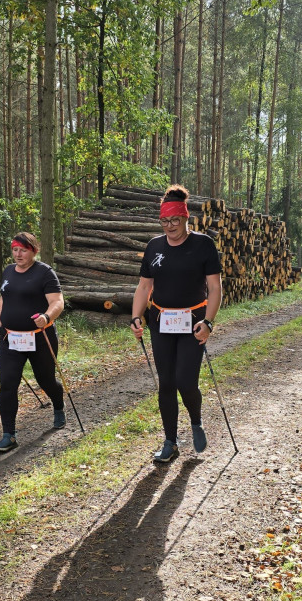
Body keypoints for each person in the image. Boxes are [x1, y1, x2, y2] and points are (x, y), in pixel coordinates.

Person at [130, 185, 222, 463]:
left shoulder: (203, 244)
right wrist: (136, 316)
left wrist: (208, 321)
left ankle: (195, 420)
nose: (170, 226)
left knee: (185, 381)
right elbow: (144, 286)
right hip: (161, 321)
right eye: (165, 221)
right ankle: (170, 441)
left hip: (193, 322)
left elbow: (215, 289)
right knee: (166, 383)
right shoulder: (154, 246)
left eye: (175, 220)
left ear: (185, 219)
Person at [0, 232, 66, 452]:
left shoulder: (45, 273)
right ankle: (9, 435)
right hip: (11, 339)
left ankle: (58, 406)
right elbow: (4, 299)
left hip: (40, 337)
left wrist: (47, 317)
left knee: (46, 381)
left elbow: (57, 301)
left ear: (34, 250)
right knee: (7, 384)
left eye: (23, 250)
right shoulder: (7, 272)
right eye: (15, 249)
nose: (18, 254)